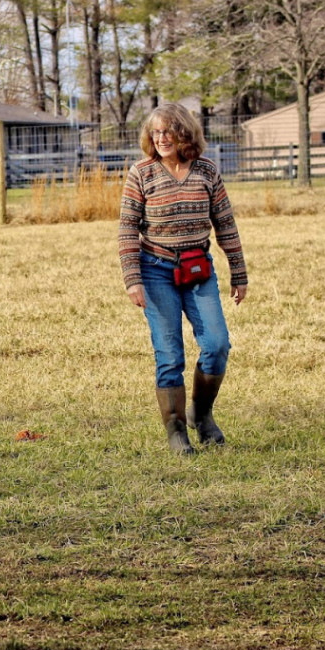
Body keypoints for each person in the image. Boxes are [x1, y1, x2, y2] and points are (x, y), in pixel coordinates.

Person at [118, 103, 248, 455]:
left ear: (184, 133)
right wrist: (133, 279)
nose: (160, 138)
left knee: (217, 344)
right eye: (155, 132)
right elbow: (128, 229)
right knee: (170, 353)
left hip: (197, 270)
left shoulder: (206, 170)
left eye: (168, 131)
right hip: (155, 270)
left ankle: (201, 415)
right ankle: (176, 429)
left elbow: (226, 223)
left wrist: (238, 271)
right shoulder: (141, 173)